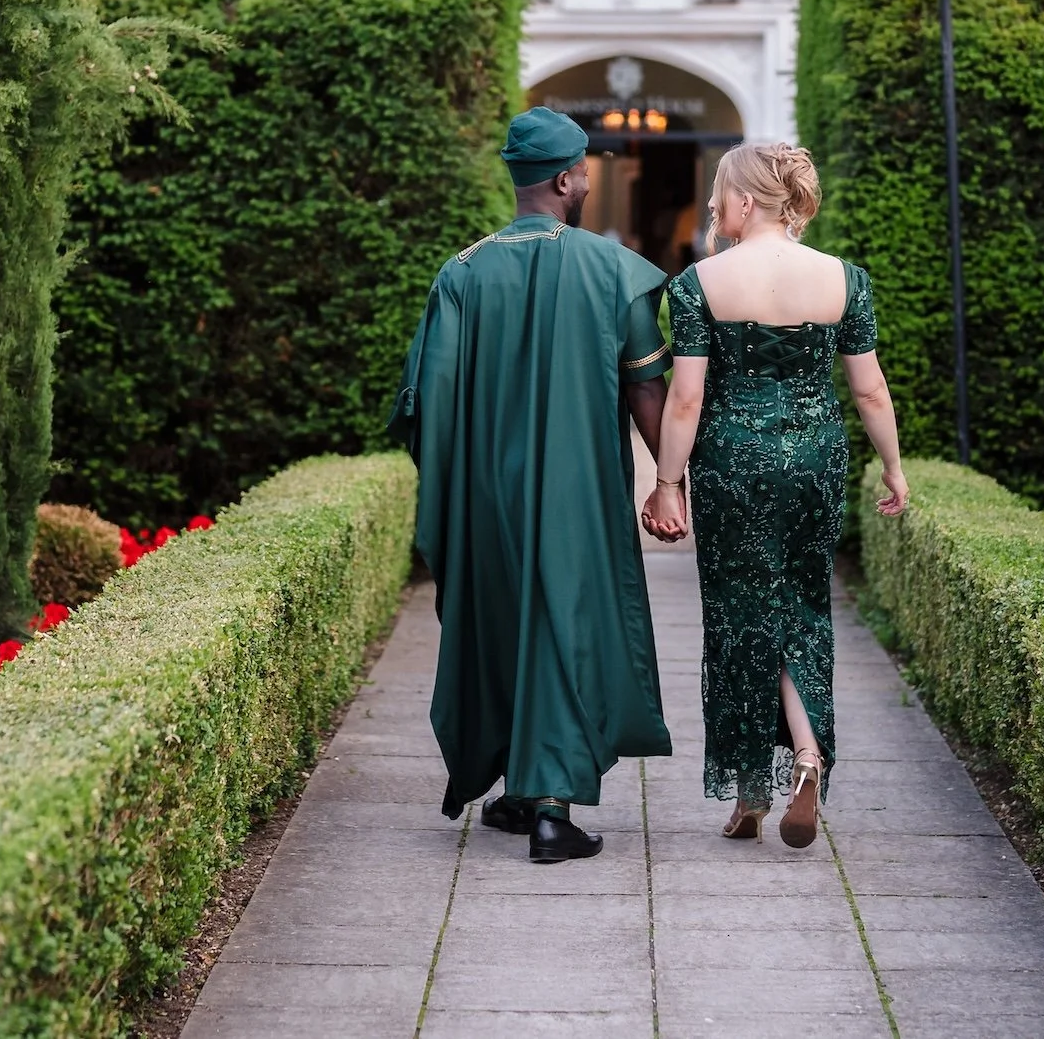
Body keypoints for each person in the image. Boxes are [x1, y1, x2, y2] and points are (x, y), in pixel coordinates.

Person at [387, 106, 680, 863]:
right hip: (576, 488)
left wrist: (459, 491)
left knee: (505, 618)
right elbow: (650, 391)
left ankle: (517, 790)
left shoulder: (459, 272)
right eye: (584, 169)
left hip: (483, 490)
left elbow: (429, 407)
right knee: (562, 625)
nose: (586, 179)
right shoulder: (613, 269)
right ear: (563, 179)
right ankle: (552, 806)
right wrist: (671, 480)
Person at [641, 143, 908, 849]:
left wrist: (667, 482)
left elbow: (686, 397)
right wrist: (893, 466)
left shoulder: (699, 282)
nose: (712, 209)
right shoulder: (844, 278)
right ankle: (808, 754)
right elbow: (870, 387)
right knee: (800, 603)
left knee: (738, 615)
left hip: (732, 463)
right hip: (816, 460)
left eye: (719, 196)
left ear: (748, 202)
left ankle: (752, 789)